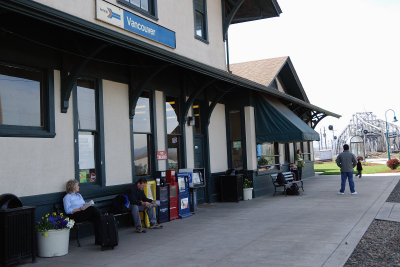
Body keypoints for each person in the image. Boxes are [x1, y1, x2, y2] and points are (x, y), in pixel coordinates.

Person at [63, 179, 102, 245]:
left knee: (97, 219)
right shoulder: (67, 197)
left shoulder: (79, 195)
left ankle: (99, 240)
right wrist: (79, 209)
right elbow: (67, 211)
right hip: (75, 215)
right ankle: (102, 217)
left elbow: (83, 204)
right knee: (93, 210)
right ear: (73, 187)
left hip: (83, 213)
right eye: (77, 185)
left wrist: (86, 205)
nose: (79, 187)